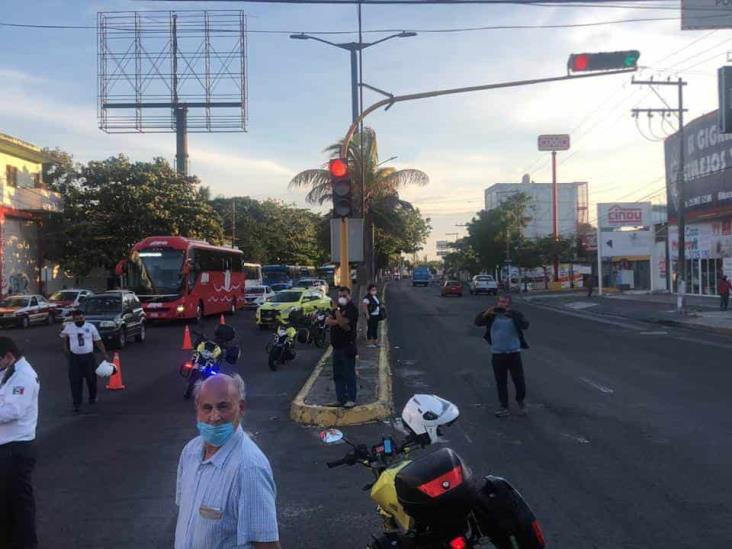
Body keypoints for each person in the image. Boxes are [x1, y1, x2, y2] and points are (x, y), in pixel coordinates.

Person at [175, 374, 280, 549]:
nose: (214, 417)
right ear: (197, 409)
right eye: (207, 408)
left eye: (223, 407)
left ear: (241, 407)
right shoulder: (190, 453)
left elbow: (267, 544)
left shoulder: (249, 468)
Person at [0, 336, 40, 549]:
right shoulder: (9, 372)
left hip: (15, 449)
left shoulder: (24, 376)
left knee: (19, 501)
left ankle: (25, 544)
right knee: (5, 501)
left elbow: (13, 411)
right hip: (5, 447)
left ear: (8, 356)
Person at [474, 294, 530, 418]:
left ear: (509, 303)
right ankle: (503, 406)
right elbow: (477, 322)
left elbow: (526, 325)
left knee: (519, 380)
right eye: (500, 301)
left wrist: (513, 315)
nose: (501, 304)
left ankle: (520, 402)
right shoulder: (492, 315)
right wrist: (485, 313)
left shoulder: (515, 314)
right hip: (497, 354)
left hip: (514, 353)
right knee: (501, 382)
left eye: (504, 302)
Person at [60, 309, 109, 413]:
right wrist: (65, 348)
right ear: (73, 319)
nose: (79, 320)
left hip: (88, 356)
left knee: (91, 379)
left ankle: (92, 396)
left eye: (81, 318)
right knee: (75, 380)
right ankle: (77, 403)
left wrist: (104, 353)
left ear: (84, 318)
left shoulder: (90, 327)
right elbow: (63, 336)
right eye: (77, 319)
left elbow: (98, 341)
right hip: (75, 357)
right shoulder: (69, 327)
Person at [325, 286, 359, 408]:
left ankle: (351, 399)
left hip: (347, 347)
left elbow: (345, 325)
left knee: (349, 374)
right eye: (340, 296)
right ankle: (340, 398)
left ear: (350, 296)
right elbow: (328, 321)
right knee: (338, 375)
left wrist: (337, 314)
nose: (341, 298)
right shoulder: (338, 308)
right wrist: (337, 320)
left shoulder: (352, 309)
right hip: (336, 347)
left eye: (344, 296)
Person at [362, 283, 382, 348]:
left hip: (376, 315)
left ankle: (376, 342)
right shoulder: (367, 298)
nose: (374, 291)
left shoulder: (375, 297)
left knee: (375, 328)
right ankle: (369, 343)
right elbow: (364, 306)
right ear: (369, 290)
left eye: (375, 290)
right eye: (372, 290)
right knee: (370, 328)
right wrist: (367, 314)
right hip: (371, 315)